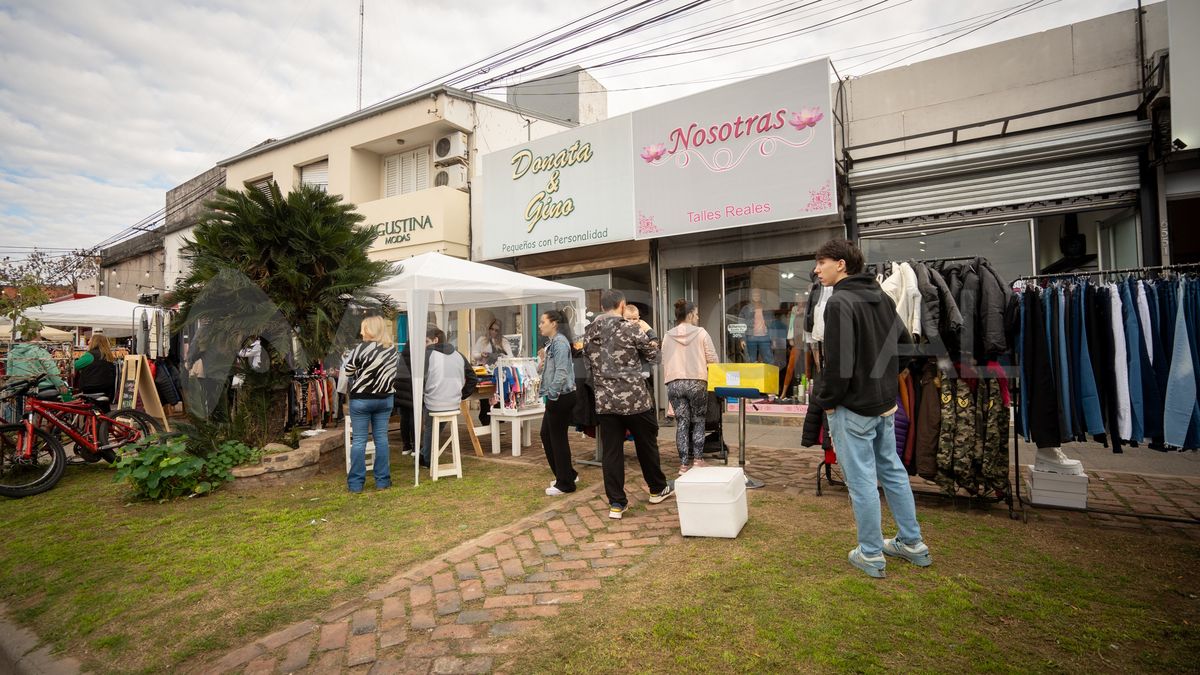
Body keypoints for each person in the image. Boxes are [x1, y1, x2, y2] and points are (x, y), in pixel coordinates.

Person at [810, 239, 931, 578]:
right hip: (883, 403)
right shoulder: (880, 296)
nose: (817, 270)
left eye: (822, 262)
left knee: (862, 480)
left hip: (853, 407)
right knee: (892, 472)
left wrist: (827, 402)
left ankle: (871, 553)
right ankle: (912, 543)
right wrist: (885, 378)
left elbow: (839, 364)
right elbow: (906, 347)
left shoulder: (839, 302)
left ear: (841, 264)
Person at [583, 289, 673, 519]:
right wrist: (650, 332)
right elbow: (656, 357)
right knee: (646, 444)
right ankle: (657, 488)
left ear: (602, 307)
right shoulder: (631, 328)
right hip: (635, 400)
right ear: (622, 305)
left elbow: (588, 367)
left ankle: (616, 503)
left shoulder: (589, 332)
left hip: (606, 401)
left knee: (611, 452)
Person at [342, 316, 399, 492]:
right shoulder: (392, 350)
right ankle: (382, 481)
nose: (361, 332)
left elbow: (348, 371)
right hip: (385, 399)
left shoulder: (360, 349)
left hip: (362, 399)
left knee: (359, 440)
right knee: (381, 439)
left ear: (370, 330)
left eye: (363, 328)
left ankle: (356, 484)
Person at [662, 299, 718, 475]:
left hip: (675, 383)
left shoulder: (668, 335)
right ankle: (698, 460)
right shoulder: (701, 333)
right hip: (697, 382)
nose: (698, 317)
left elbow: (664, 359)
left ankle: (683, 465)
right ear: (691, 314)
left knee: (682, 423)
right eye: (696, 314)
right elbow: (712, 359)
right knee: (699, 421)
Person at [420, 326, 478, 468]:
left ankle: (426, 458)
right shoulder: (459, 355)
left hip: (433, 402)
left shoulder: (428, 354)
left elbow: (419, 380)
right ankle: (424, 453)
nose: (424, 345)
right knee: (434, 427)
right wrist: (461, 395)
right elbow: (472, 378)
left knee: (430, 427)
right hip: (453, 403)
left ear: (435, 340)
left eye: (426, 341)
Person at [538, 309, 579, 496]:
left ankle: (565, 484)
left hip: (561, 396)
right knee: (547, 435)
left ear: (554, 323)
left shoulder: (560, 342)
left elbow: (561, 372)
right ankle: (568, 474)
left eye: (543, 322)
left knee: (557, 439)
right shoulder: (554, 342)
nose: (540, 325)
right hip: (558, 395)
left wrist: (552, 395)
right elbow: (553, 369)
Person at [473, 318, 511, 425]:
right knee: (485, 398)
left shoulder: (503, 341)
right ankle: (485, 422)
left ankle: (499, 422)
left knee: (499, 397)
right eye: (492, 329)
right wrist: (481, 354)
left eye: (496, 330)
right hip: (485, 373)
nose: (493, 332)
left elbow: (510, 356)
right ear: (488, 329)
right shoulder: (482, 340)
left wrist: (501, 355)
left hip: (499, 374)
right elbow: (474, 354)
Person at [73, 333, 117, 411]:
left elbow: (75, 366)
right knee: (104, 409)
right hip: (107, 388)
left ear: (95, 342)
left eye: (90, 340)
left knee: (90, 410)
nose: (88, 342)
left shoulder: (90, 355)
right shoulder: (108, 355)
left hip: (91, 387)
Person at [739, 288, 771, 363]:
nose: (756, 296)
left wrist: (773, 337)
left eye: (758, 294)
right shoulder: (746, 308)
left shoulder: (766, 307)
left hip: (764, 337)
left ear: (760, 296)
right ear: (751, 296)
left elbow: (771, 322)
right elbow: (740, 323)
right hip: (751, 337)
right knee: (751, 360)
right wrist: (742, 338)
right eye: (754, 294)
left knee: (767, 360)